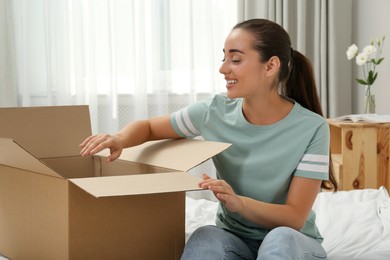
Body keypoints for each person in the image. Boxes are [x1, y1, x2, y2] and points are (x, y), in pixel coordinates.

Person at [80, 18, 338, 260]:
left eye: (235, 59)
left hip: (293, 240)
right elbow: (149, 127)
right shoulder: (212, 112)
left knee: (280, 240)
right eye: (224, 58)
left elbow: (294, 217)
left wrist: (239, 203)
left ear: (270, 66)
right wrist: (119, 138)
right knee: (205, 236)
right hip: (235, 239)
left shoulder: (312, 128)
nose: (223, 68)